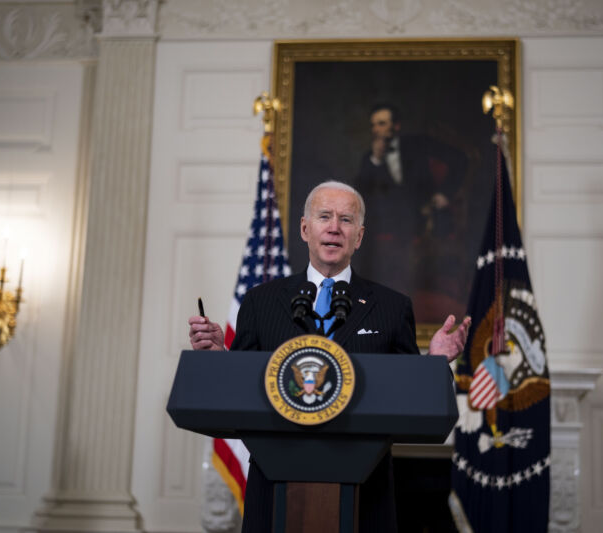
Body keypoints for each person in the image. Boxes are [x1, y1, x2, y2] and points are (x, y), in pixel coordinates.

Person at [188, 180, 470, 533]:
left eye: (346, 219)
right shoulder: (261, 302)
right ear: (306, 229)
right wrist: (219, 357)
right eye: (324, 216)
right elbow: (242, 390)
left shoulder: (392, 307)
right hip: (276, 485)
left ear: (359, 236)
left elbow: (410, 398)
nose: (335, 227)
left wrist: (434, 363)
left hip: (364, 489)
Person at [354, 103, 468, 298]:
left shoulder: (419, 144)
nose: (375, 130)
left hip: (426, 217)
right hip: (390, 224)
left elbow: (460, 159)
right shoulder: (370, 158)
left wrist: (445, 194)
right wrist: (376, 160)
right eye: (373, 125)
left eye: (381, 123)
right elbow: (361, 196)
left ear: (396, 126)